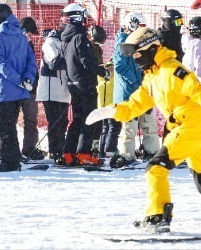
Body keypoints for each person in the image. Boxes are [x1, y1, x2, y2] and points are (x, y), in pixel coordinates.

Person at [86, 27, 201, 235]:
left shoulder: (171, 69)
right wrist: (110, 111)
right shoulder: (151, 76)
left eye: (138, 54)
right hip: (192, 129)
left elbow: (196, 88)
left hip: (192, 126)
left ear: (152, 48)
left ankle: (158, 216)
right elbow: (135, 105)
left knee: (155, 167)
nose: (136, 59)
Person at [0, 4, 37, 171]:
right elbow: (32, 61)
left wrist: (17, 80)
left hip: (4, 90)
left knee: (6, 127)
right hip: (20, 91)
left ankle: (9, 161)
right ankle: (13, 158)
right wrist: (27, 79)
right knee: (11, 125)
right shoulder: (22, 36)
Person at [60, 3, 109, 166]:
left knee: (77, 119)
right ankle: (83, 154)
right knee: (89, 119)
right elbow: (86, 61)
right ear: (77, 17)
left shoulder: (66, 37)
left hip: (73, 83)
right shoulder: (80, 37)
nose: (86, 19)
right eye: (84, 15)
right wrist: (102, 72)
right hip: (85, 84)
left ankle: (68, 153)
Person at [111, 12, 160, 167]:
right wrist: (135, 81)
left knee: (148, 122)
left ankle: (151, 152)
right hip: (128, 91)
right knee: (129, 126)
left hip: (141, 90)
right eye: (141, 27)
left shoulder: (137, 41)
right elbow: (119, 65)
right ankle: (126, 155)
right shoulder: (123, 41)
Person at [36, 29, 71, 164]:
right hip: (51, 91)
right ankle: (55, 150)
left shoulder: (63, 44)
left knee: (63, 122)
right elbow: (54, 64)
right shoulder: (49, 43)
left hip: (63, 90)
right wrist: (71, 57)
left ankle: (60, 149)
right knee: (55, 121)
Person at [19, 17, 45, 160]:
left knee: (31, 120)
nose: (30, 36)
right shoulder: (18, 43)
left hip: (29, 87)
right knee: (26, 120)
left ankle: (28, 148)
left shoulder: (27, 44)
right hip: (22, 87)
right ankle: (23, 149)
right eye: (29, 33)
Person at [88, 25, 107, 154]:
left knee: (98, 115)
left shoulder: (98, 49)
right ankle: (91, 144)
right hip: (89, 83)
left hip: (97, 83)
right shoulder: (88, 47)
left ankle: (95, 144)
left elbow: (99, 64)